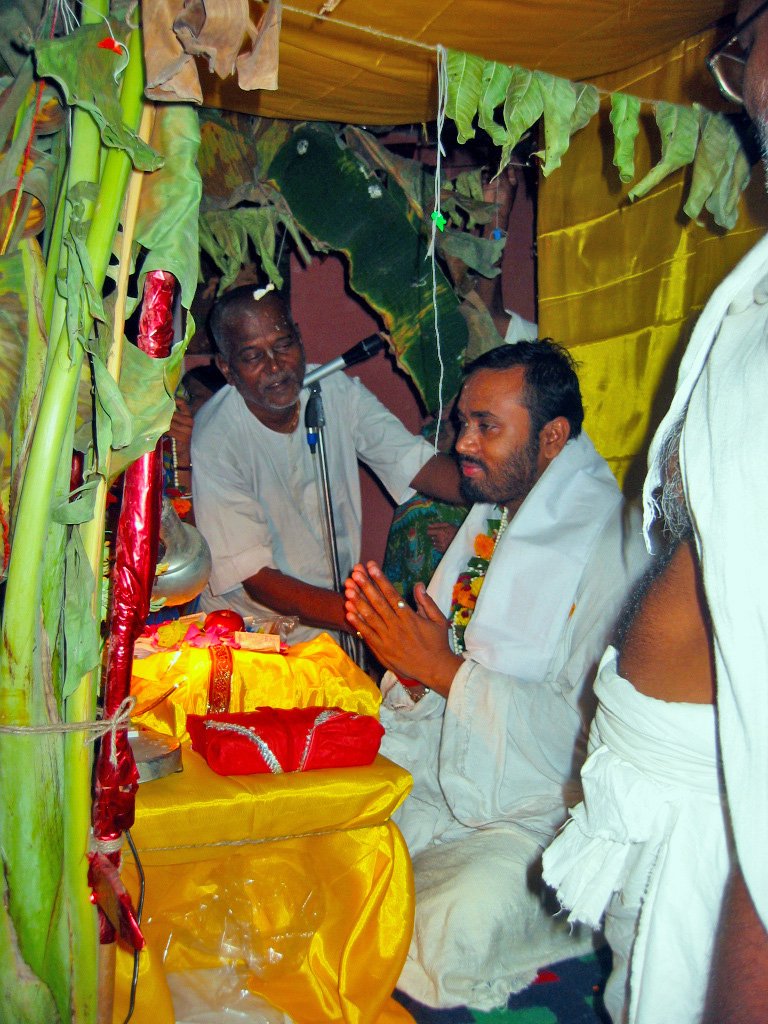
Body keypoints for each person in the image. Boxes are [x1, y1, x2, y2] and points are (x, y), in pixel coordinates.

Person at [542, 5, 768, 1022]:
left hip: (737, 856)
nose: (746, 79)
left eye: (750, 34)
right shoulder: (754, 302)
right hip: (684, 802)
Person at [344, 341, 647, 1011]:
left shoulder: (606, 546)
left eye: (487, 425)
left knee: (446, 925)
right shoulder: (494, 513)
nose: (463, 443)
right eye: (462, 423)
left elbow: (587, 736)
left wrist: (446, 672)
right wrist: (413, 674)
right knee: (342, 853)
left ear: (553, 436)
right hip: (452, 772)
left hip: (545, 816)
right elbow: (447, 652)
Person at [190, 284, 460, 644]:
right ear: (227, 367)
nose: (275, 365)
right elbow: (258, 580)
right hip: (256, 633)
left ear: (299, 339)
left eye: (283, 345)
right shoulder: (217, 437)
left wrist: (501, 486)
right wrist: (374, 620)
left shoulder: (334, 390)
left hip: (334, 616)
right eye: (253, 356)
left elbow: (417, 464)